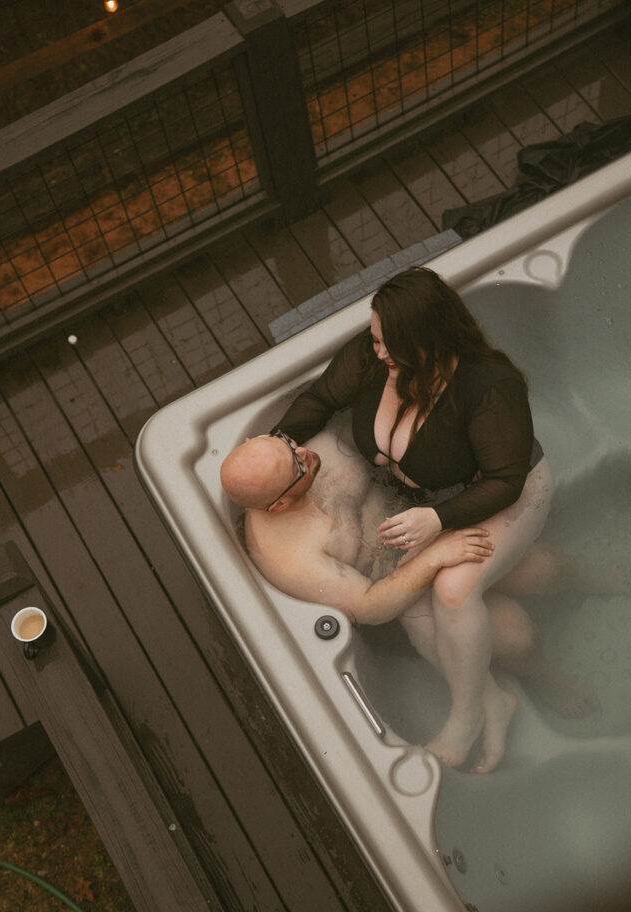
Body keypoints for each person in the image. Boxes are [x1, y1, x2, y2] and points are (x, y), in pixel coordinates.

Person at [270, 267, 555, 771]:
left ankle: (465, 717)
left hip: (504, 494)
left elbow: (504, 480)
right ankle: (493, 698)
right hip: (432, 501)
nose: (375, 349)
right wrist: (276, 454)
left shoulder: (488, 386)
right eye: (375, 336)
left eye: (387, 341)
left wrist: (438, 518)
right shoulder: (374, 355)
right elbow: (319, 400)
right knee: (411, 599)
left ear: (426, 340)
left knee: (452, 591)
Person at [221, 427, 545, 773]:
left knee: (542, 569)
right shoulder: (288, 556)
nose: (304, 454)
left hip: (425, 522)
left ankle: (594, 580)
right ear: (278, 505)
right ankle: (516, 691)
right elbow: (370, 607)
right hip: (396, 593)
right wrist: (436, 556)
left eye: (288, 445)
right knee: (514, 636)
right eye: (296, 467)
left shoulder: (307, 444)